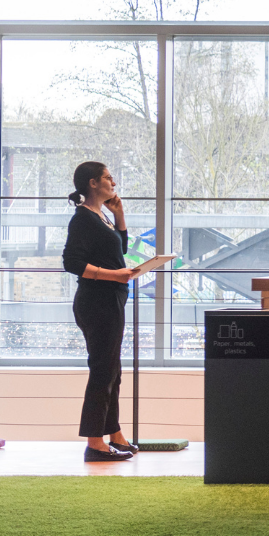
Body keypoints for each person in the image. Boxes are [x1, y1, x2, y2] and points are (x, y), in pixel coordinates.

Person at [61, 162, 138, 462]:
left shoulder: (102, 217)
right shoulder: (81, 219)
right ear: (93, 183)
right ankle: (94, 442)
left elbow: (120, 250)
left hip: (112, 299)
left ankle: (113, 433)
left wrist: (120, 216)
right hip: (96, 302)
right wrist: (114, 276)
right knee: (103, 370)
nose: (114, 183)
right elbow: (72, 262)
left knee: (113, 371)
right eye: (108, 178)